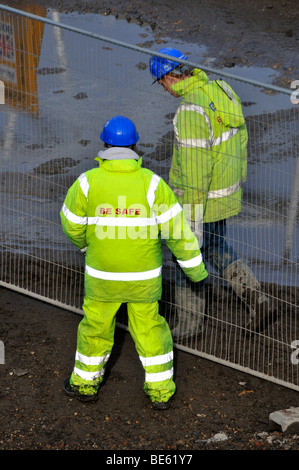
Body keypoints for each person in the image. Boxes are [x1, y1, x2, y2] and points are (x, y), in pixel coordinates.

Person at [60, 115, 208, 408]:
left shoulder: (86, 183)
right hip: (144, 280)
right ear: (135, 145)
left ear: (104, 144)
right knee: (151, 330)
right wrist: (196, 269)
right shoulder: (152, 184)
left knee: (95, 328)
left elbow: (71, 223)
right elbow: (178, 232)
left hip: (102, 278)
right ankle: (161, 392)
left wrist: (85, 245)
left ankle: (84, 385)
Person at [149, 48, 272, 339]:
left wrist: (189, 214)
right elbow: (241, 139)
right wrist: (237, 182)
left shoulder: (190, 110)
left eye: (161, 83)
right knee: (216, 248)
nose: (165, 90)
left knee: (185, 259)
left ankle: (188, 326)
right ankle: (258, 300)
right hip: (225, 196)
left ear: (168, 78)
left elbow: (195, 170)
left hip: (200, 202)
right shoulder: (221, 90)